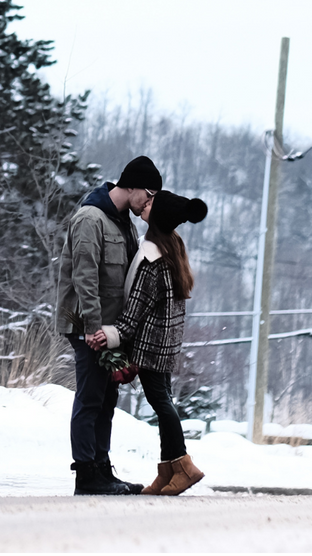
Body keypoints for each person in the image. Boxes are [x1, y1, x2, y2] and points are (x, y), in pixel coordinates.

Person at [55, 155, 162, 495]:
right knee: (90, 398)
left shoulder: (124, 223)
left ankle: (102, 469)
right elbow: (84, 276)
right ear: (131, 185)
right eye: (148, 194)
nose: (148, 202)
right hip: (87, 325)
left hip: (110, 329)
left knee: (106, 399)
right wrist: (92, 326)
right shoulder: (91, 217)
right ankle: (86, 474)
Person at [96, 189, 210, 495]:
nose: (145, 205)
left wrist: (107, 334)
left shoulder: (152, 258)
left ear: (157, 216)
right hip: (165, 341)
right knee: (163, 402)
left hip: (150, 345)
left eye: (150, 204)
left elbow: (134, 313)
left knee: (161, 403)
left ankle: (184, 466)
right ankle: (167, 469)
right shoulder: (171, 246)